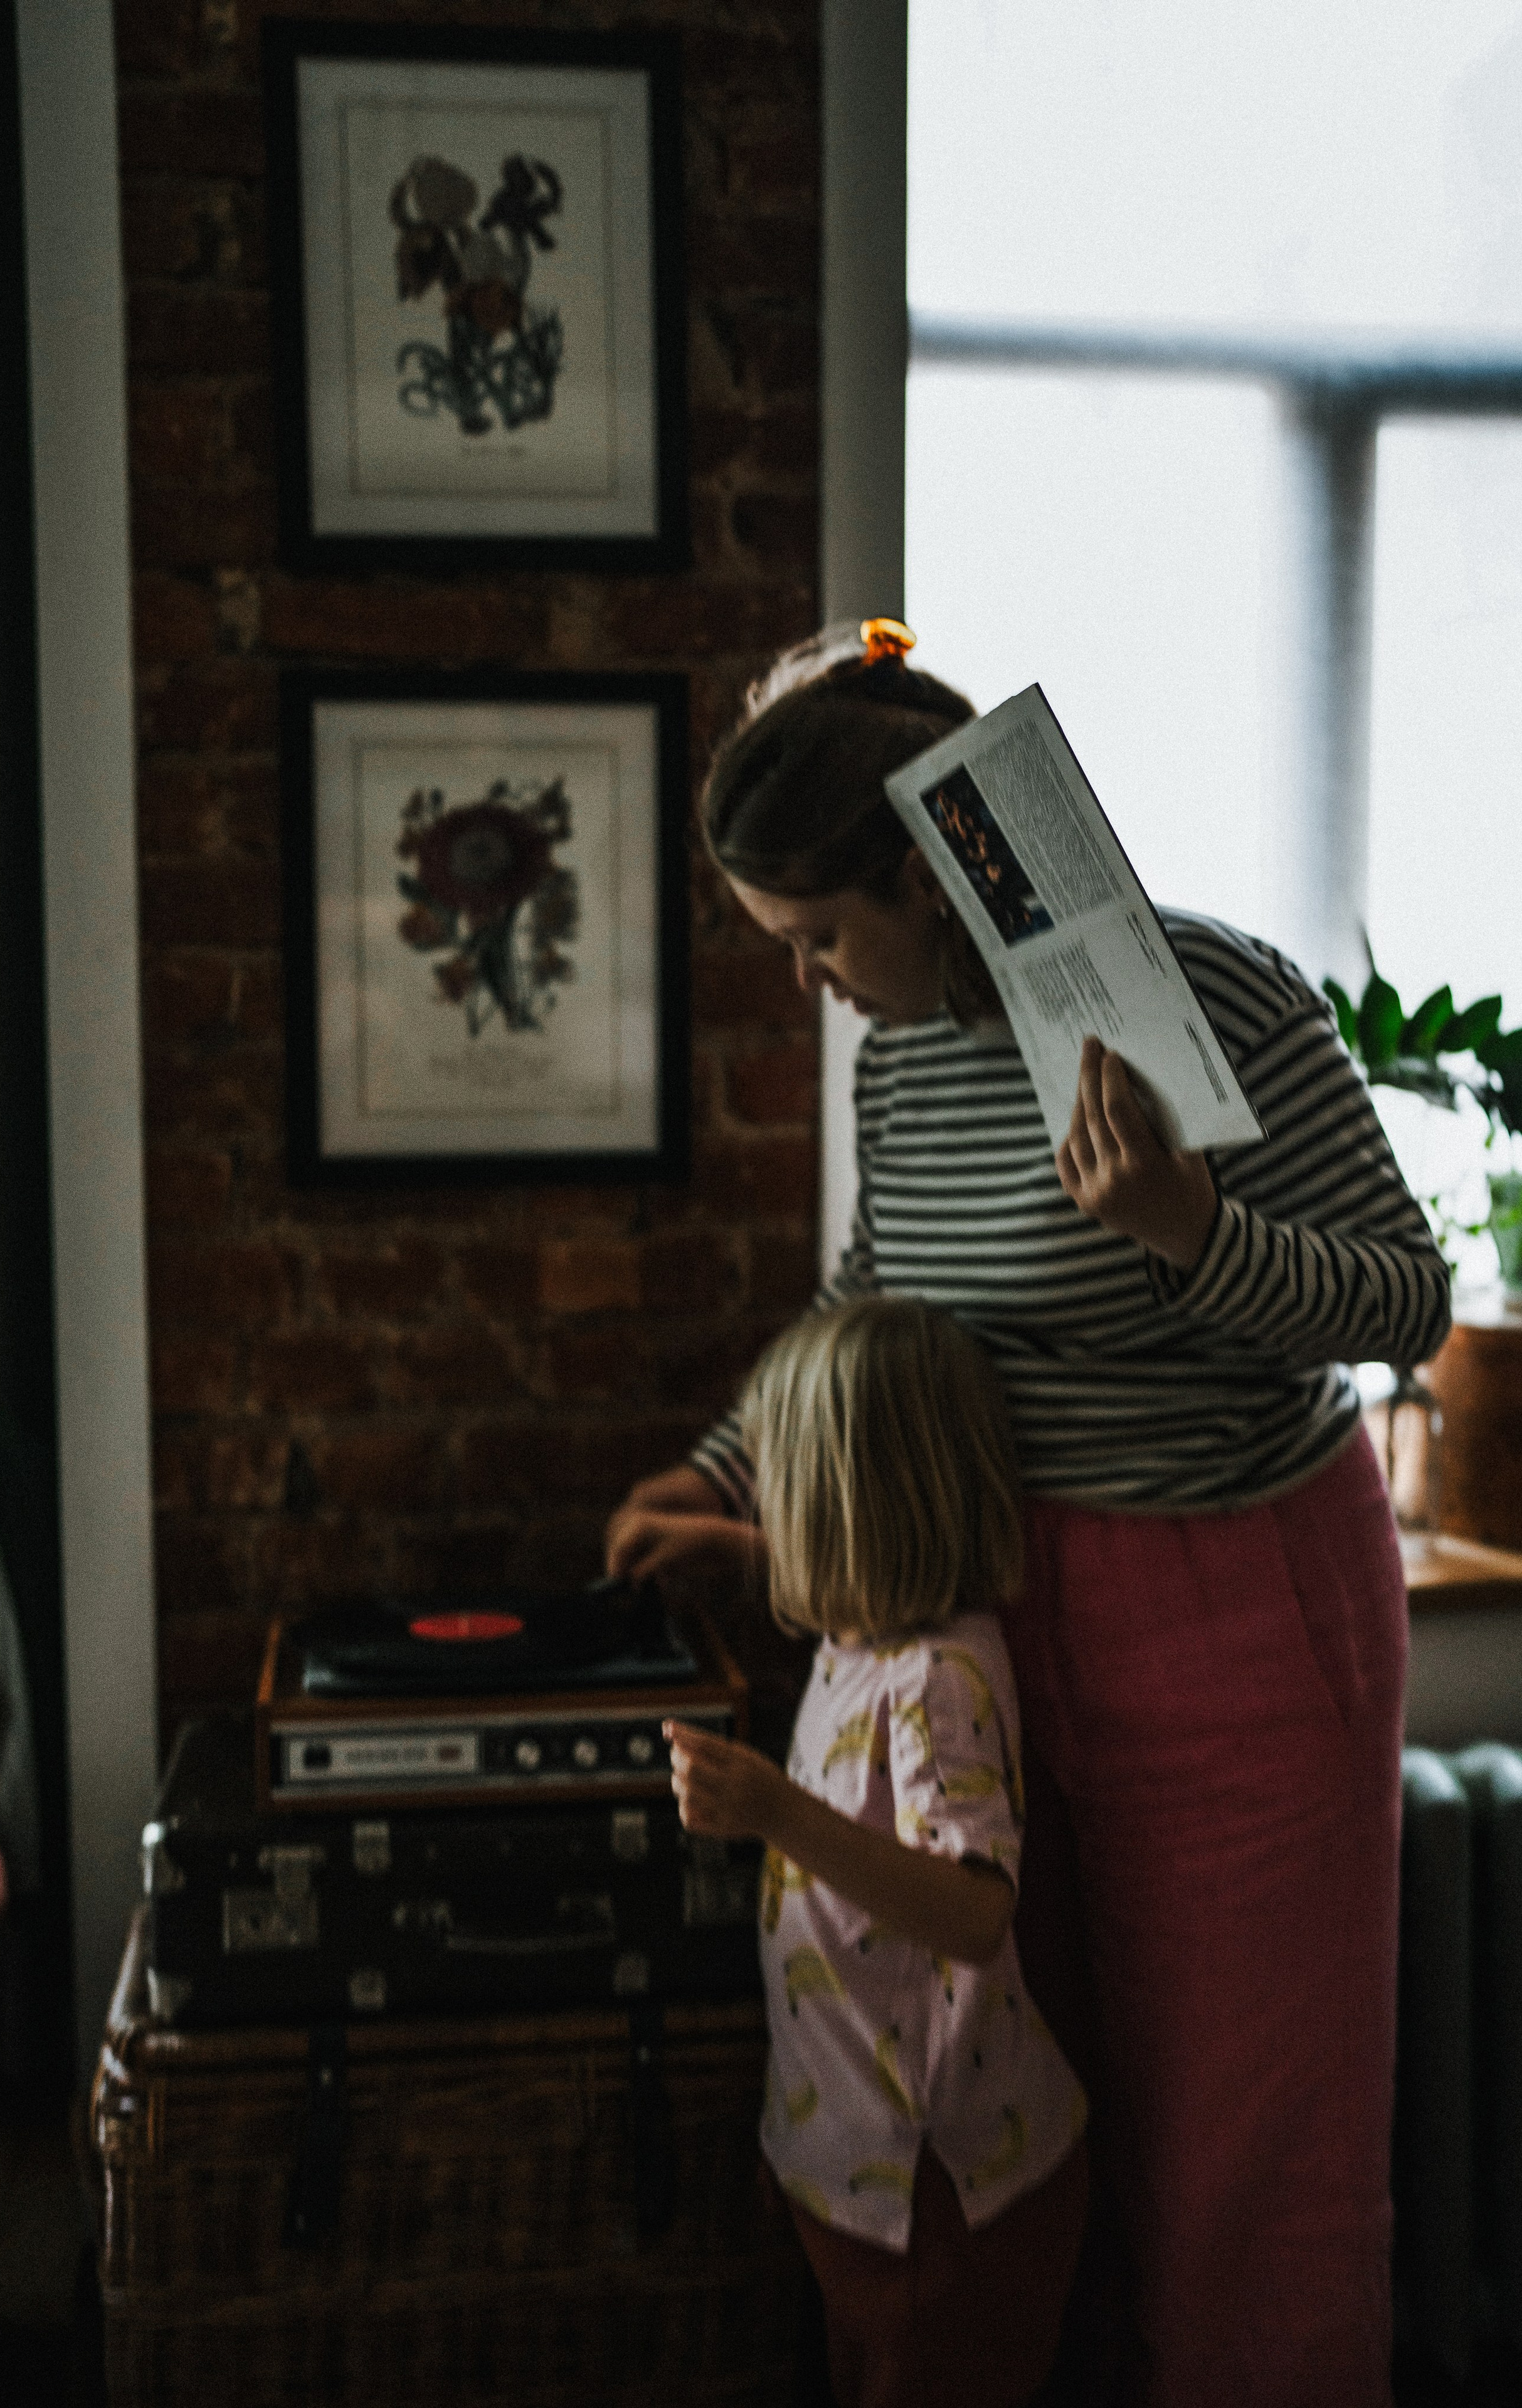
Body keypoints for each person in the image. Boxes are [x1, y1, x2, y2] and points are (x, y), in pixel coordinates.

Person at [607, 621, 1452, 2405]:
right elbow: (872, 1294)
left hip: (1239, 1614)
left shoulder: (1219, 997)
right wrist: (724, 1470)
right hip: (986, 1623)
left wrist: (1192, 1234)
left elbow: (1405, 1304)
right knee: (1035, 2138)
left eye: (820, 939)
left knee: (1245, 2168)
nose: (811, 982)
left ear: (924, 878)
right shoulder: (900, 1059)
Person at [665, 1294, 1089, 2408]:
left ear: (851, 1510)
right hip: (865, 2172)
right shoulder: (859, 1637)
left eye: (780, 1490)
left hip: (949, 2188)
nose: (768, 1515)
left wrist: (777, 1815)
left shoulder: (937, 1681)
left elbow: (976, 1913)